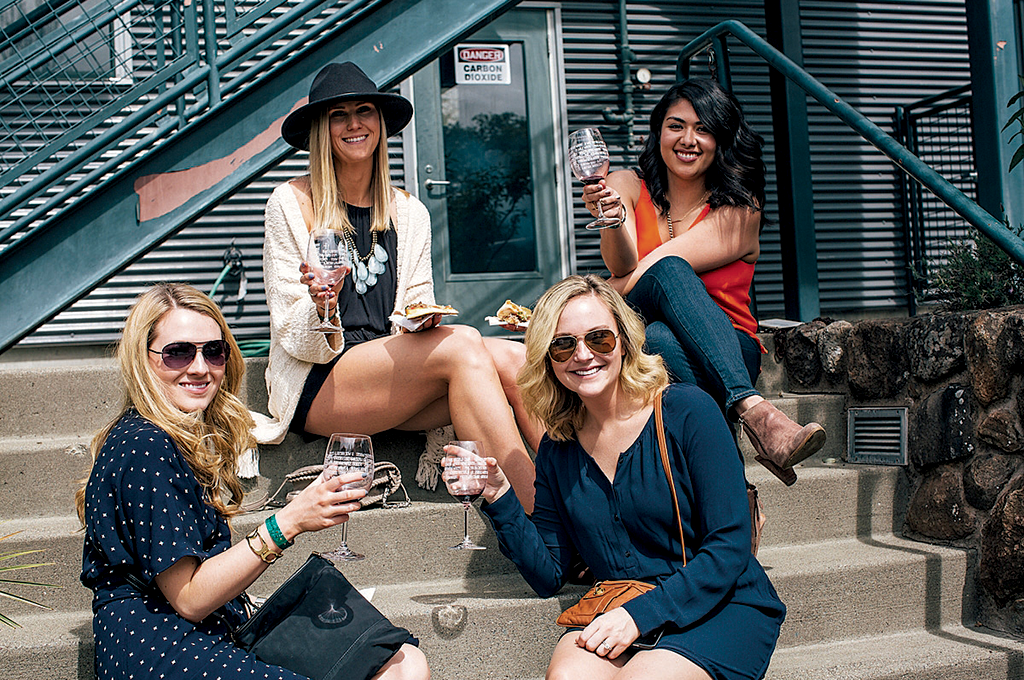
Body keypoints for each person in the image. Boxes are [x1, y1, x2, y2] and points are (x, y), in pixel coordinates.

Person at [76, 283, 429, 680]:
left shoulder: (163, 435)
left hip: (204, 627)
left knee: (402, 661)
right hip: (159, 646)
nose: (199, 367)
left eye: (213, 350)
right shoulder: (147, 447)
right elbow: (190, 598)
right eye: (178, 353)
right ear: (144, 359)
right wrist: (288, 523)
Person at [459, 275, 785, 680]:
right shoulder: (559, 450)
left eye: (599, 339)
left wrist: (639, 617)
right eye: (563, 344)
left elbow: (729, 547)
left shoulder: (687, 412)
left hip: (719, 600)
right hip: (620, 602)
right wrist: (500, 494)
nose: (583, 355)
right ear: (547, 358)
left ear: (625, 341)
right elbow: (548, 576)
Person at [252, 61, 537, 510]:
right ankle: (541, 516)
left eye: (364, 110)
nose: (354, 124)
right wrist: (322, 306)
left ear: (381, 123)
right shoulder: (290, 203)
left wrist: (421, 318)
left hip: (393, 376)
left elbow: (415, 300)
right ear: (322, 130)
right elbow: (291, 332)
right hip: (323, 382)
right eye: (338, 115)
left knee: (514, 357)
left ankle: (578, 499)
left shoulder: (409, 211)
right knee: (464, 344)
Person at [581, 78, 824, 485]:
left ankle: (727, 479)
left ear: (722, 140)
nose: (687, 139)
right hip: (635, 326)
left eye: (703, 129)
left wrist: (587, 294)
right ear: (658, 131)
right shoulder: (627, 185)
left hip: (729, 346)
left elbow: (651, 268)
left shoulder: (740, 210)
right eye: (676, 125)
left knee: (662, 328)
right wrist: (615, 220)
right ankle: (756, 416)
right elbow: (623, 262)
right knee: (657, 315)